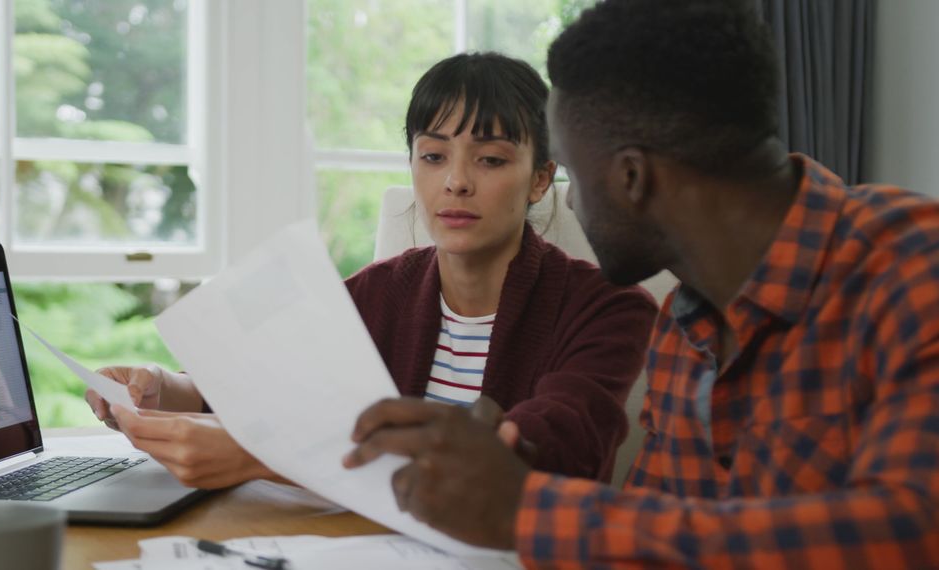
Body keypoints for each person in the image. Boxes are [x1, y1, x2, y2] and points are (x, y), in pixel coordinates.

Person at [342, 0, 939, 566]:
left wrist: (526, 509)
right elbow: (647, 537)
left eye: (574, 173)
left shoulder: (913, 264)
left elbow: (914, 531)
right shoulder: (686, 332)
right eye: (433, 156)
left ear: (632, 178)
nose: (571, 205)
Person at [87, 52, 658, 488]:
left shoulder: (610, 309)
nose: (455, 181)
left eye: (490, 159)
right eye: (433, 156)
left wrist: (262, 459)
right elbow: (264, 386)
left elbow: (547, 453)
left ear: (540, 178)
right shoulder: (379, 291)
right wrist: (162, 390)